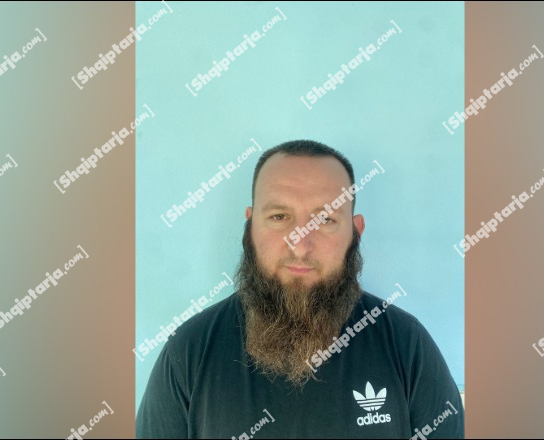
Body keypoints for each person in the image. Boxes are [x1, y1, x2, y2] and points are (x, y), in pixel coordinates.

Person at [137, 140, 464, 438]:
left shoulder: (407, 345)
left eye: (326, 220)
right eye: (279, 216)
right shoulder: (189, 352)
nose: (300, 245)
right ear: (250, 225)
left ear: (355, 231)